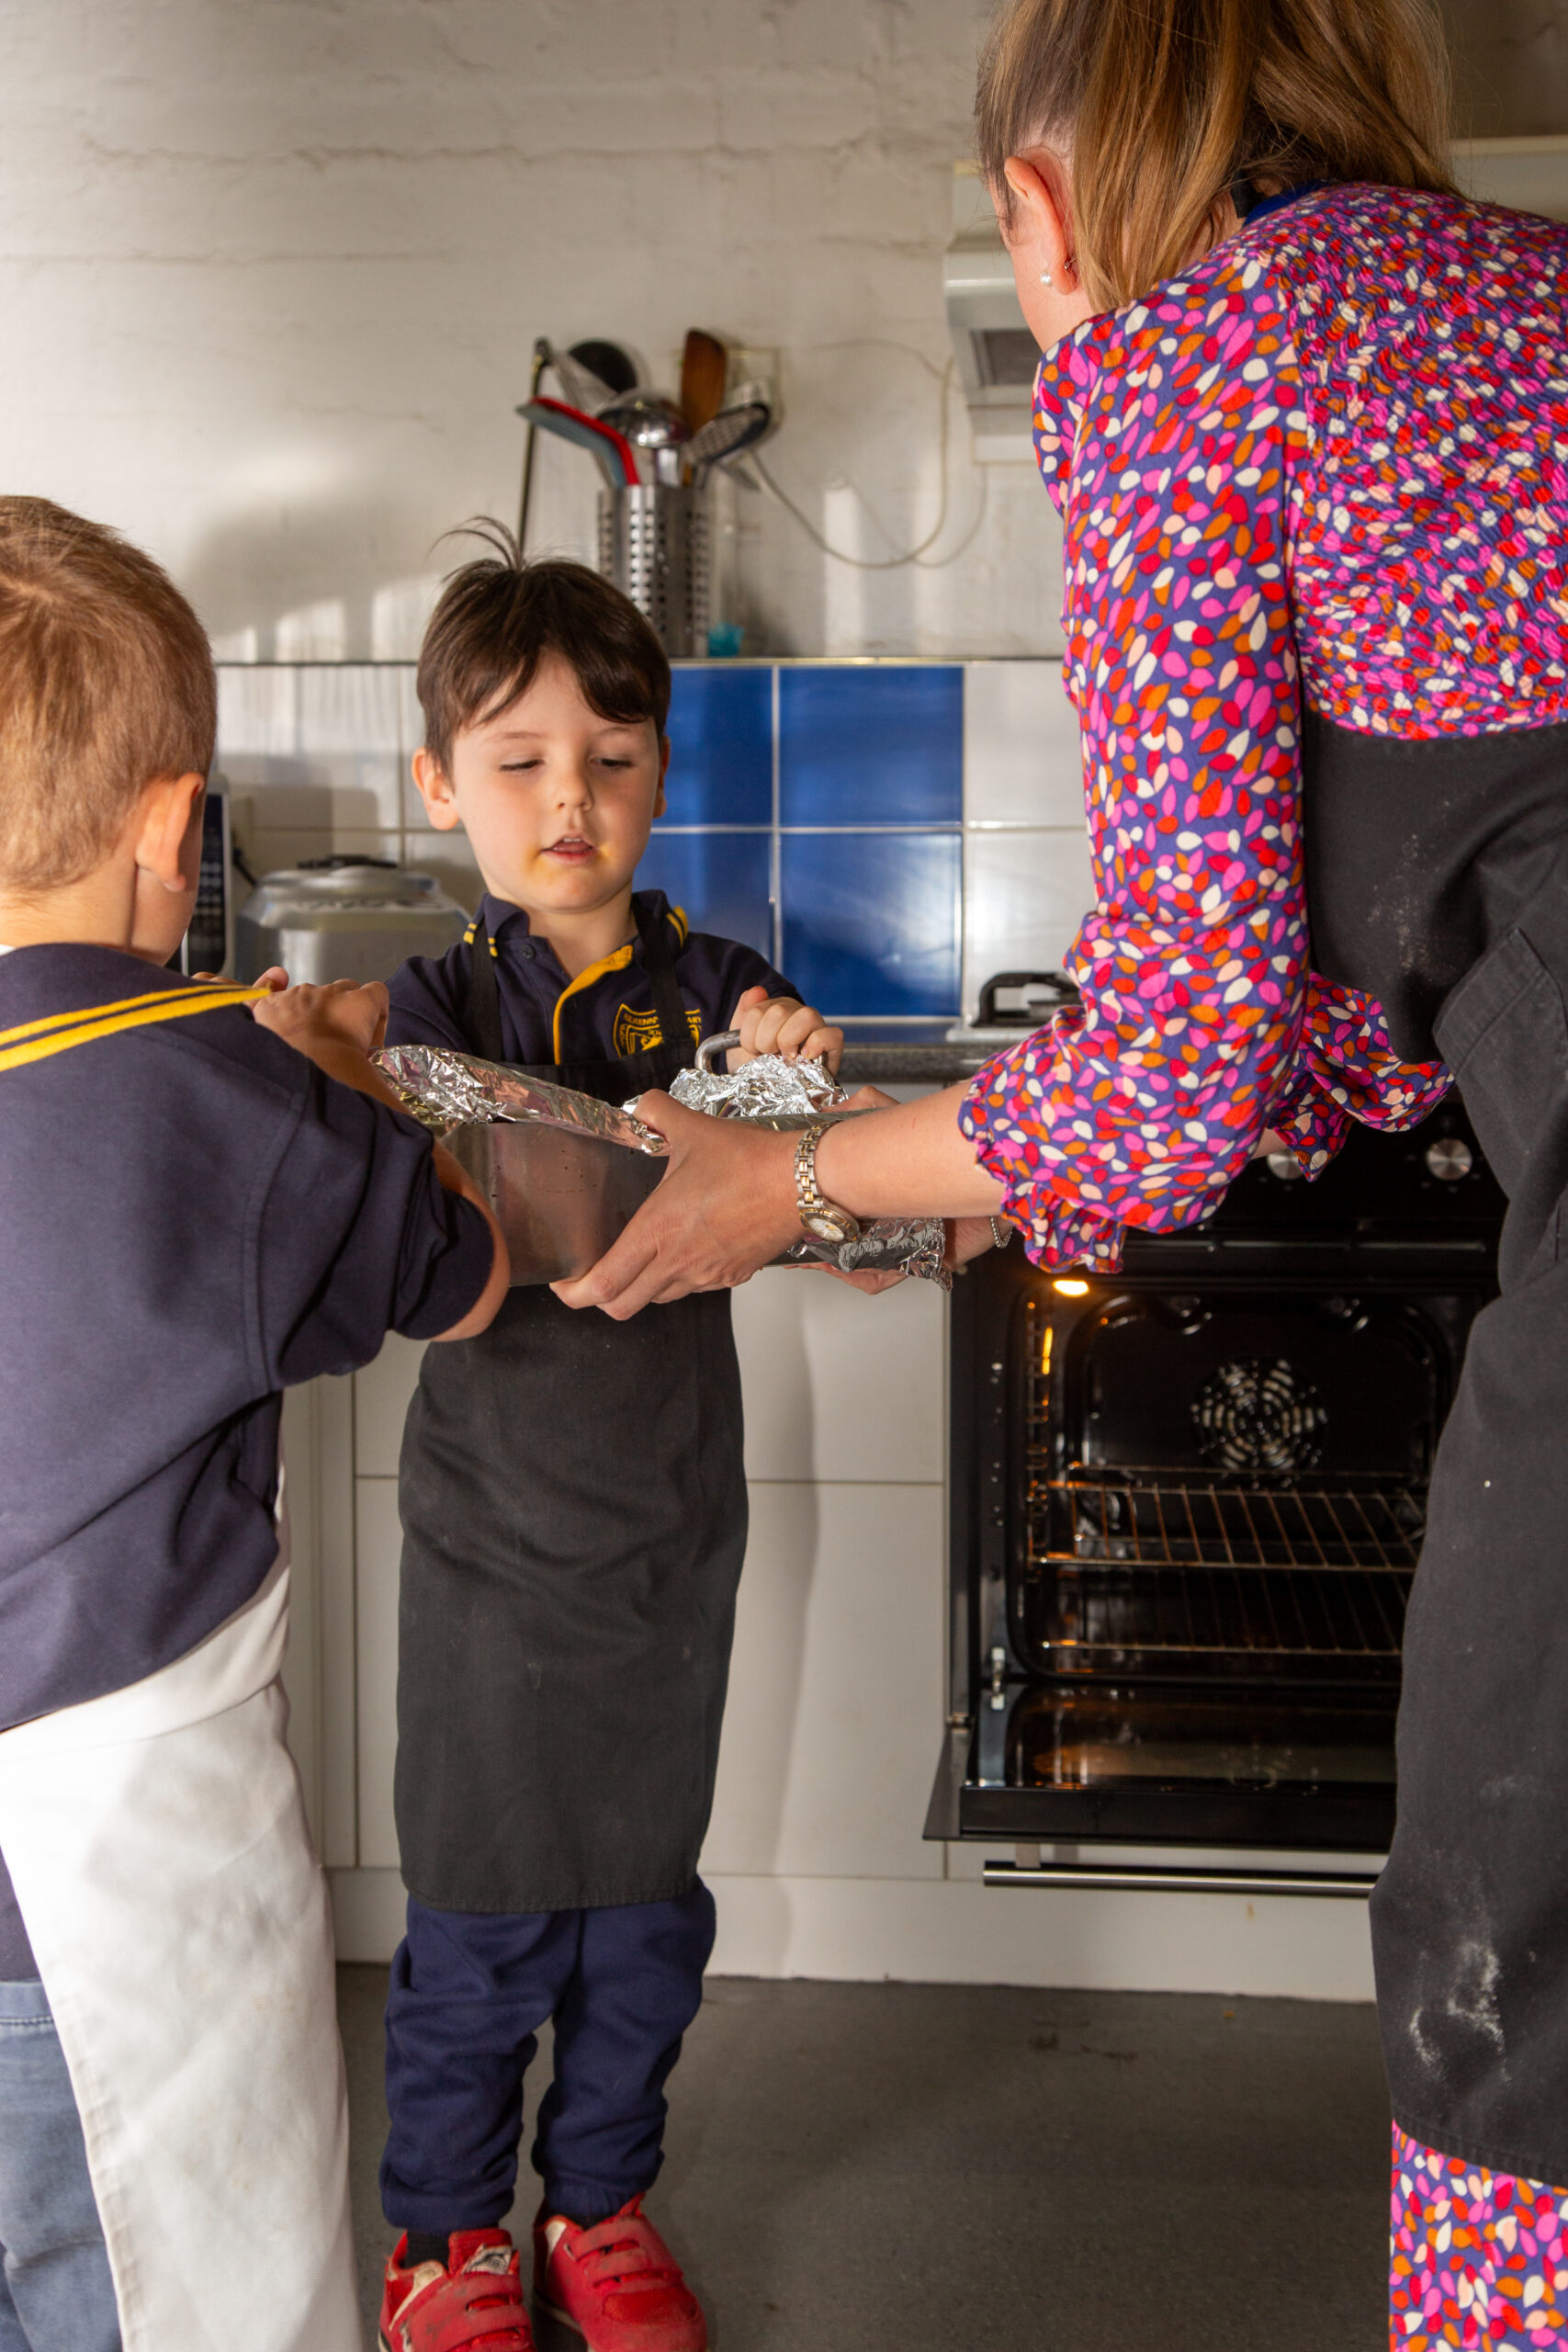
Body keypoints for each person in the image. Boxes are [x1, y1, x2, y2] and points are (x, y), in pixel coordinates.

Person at [556, 3, 1568, 2344]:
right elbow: (1303, 1042)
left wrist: (800, 1186)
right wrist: (952, 1175)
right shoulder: (1517, 295)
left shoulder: (1193, 346)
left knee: (1517, 1980)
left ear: (1039, 212)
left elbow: (1184, 1053)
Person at [0, 496, 507, 2352]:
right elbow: (467, 1280)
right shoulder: (231, 1092)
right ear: (170, 825)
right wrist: (347, 1084)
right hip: (99, 1911)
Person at [374, 539, 842, 2352]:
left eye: (611, 758)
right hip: (489, 1544)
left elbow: (804, 1184)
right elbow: (450, 1190)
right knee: (484, 1919)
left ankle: (598, 2207)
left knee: (644, 1920)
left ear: (658, 775)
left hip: (668, 1533)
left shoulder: (723, 986)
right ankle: (443, 2239)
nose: (568, 798)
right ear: (441, 784)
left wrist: (789, 1075)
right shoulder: (434, 1009)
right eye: (518, 761)